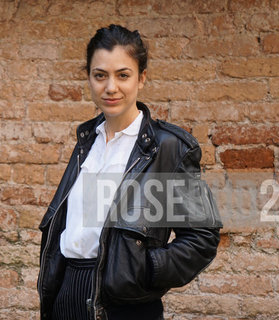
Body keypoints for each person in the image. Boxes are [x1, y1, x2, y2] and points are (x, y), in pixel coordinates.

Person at [37, 25, 222, 320]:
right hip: (64, 299)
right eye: (100, 75)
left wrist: (144, 269)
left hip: (125, 308)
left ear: (142, 77)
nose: (111, 87)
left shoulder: (168, 148)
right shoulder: (87, 142)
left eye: (123, 75)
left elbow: (201, 237)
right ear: (89, 77)